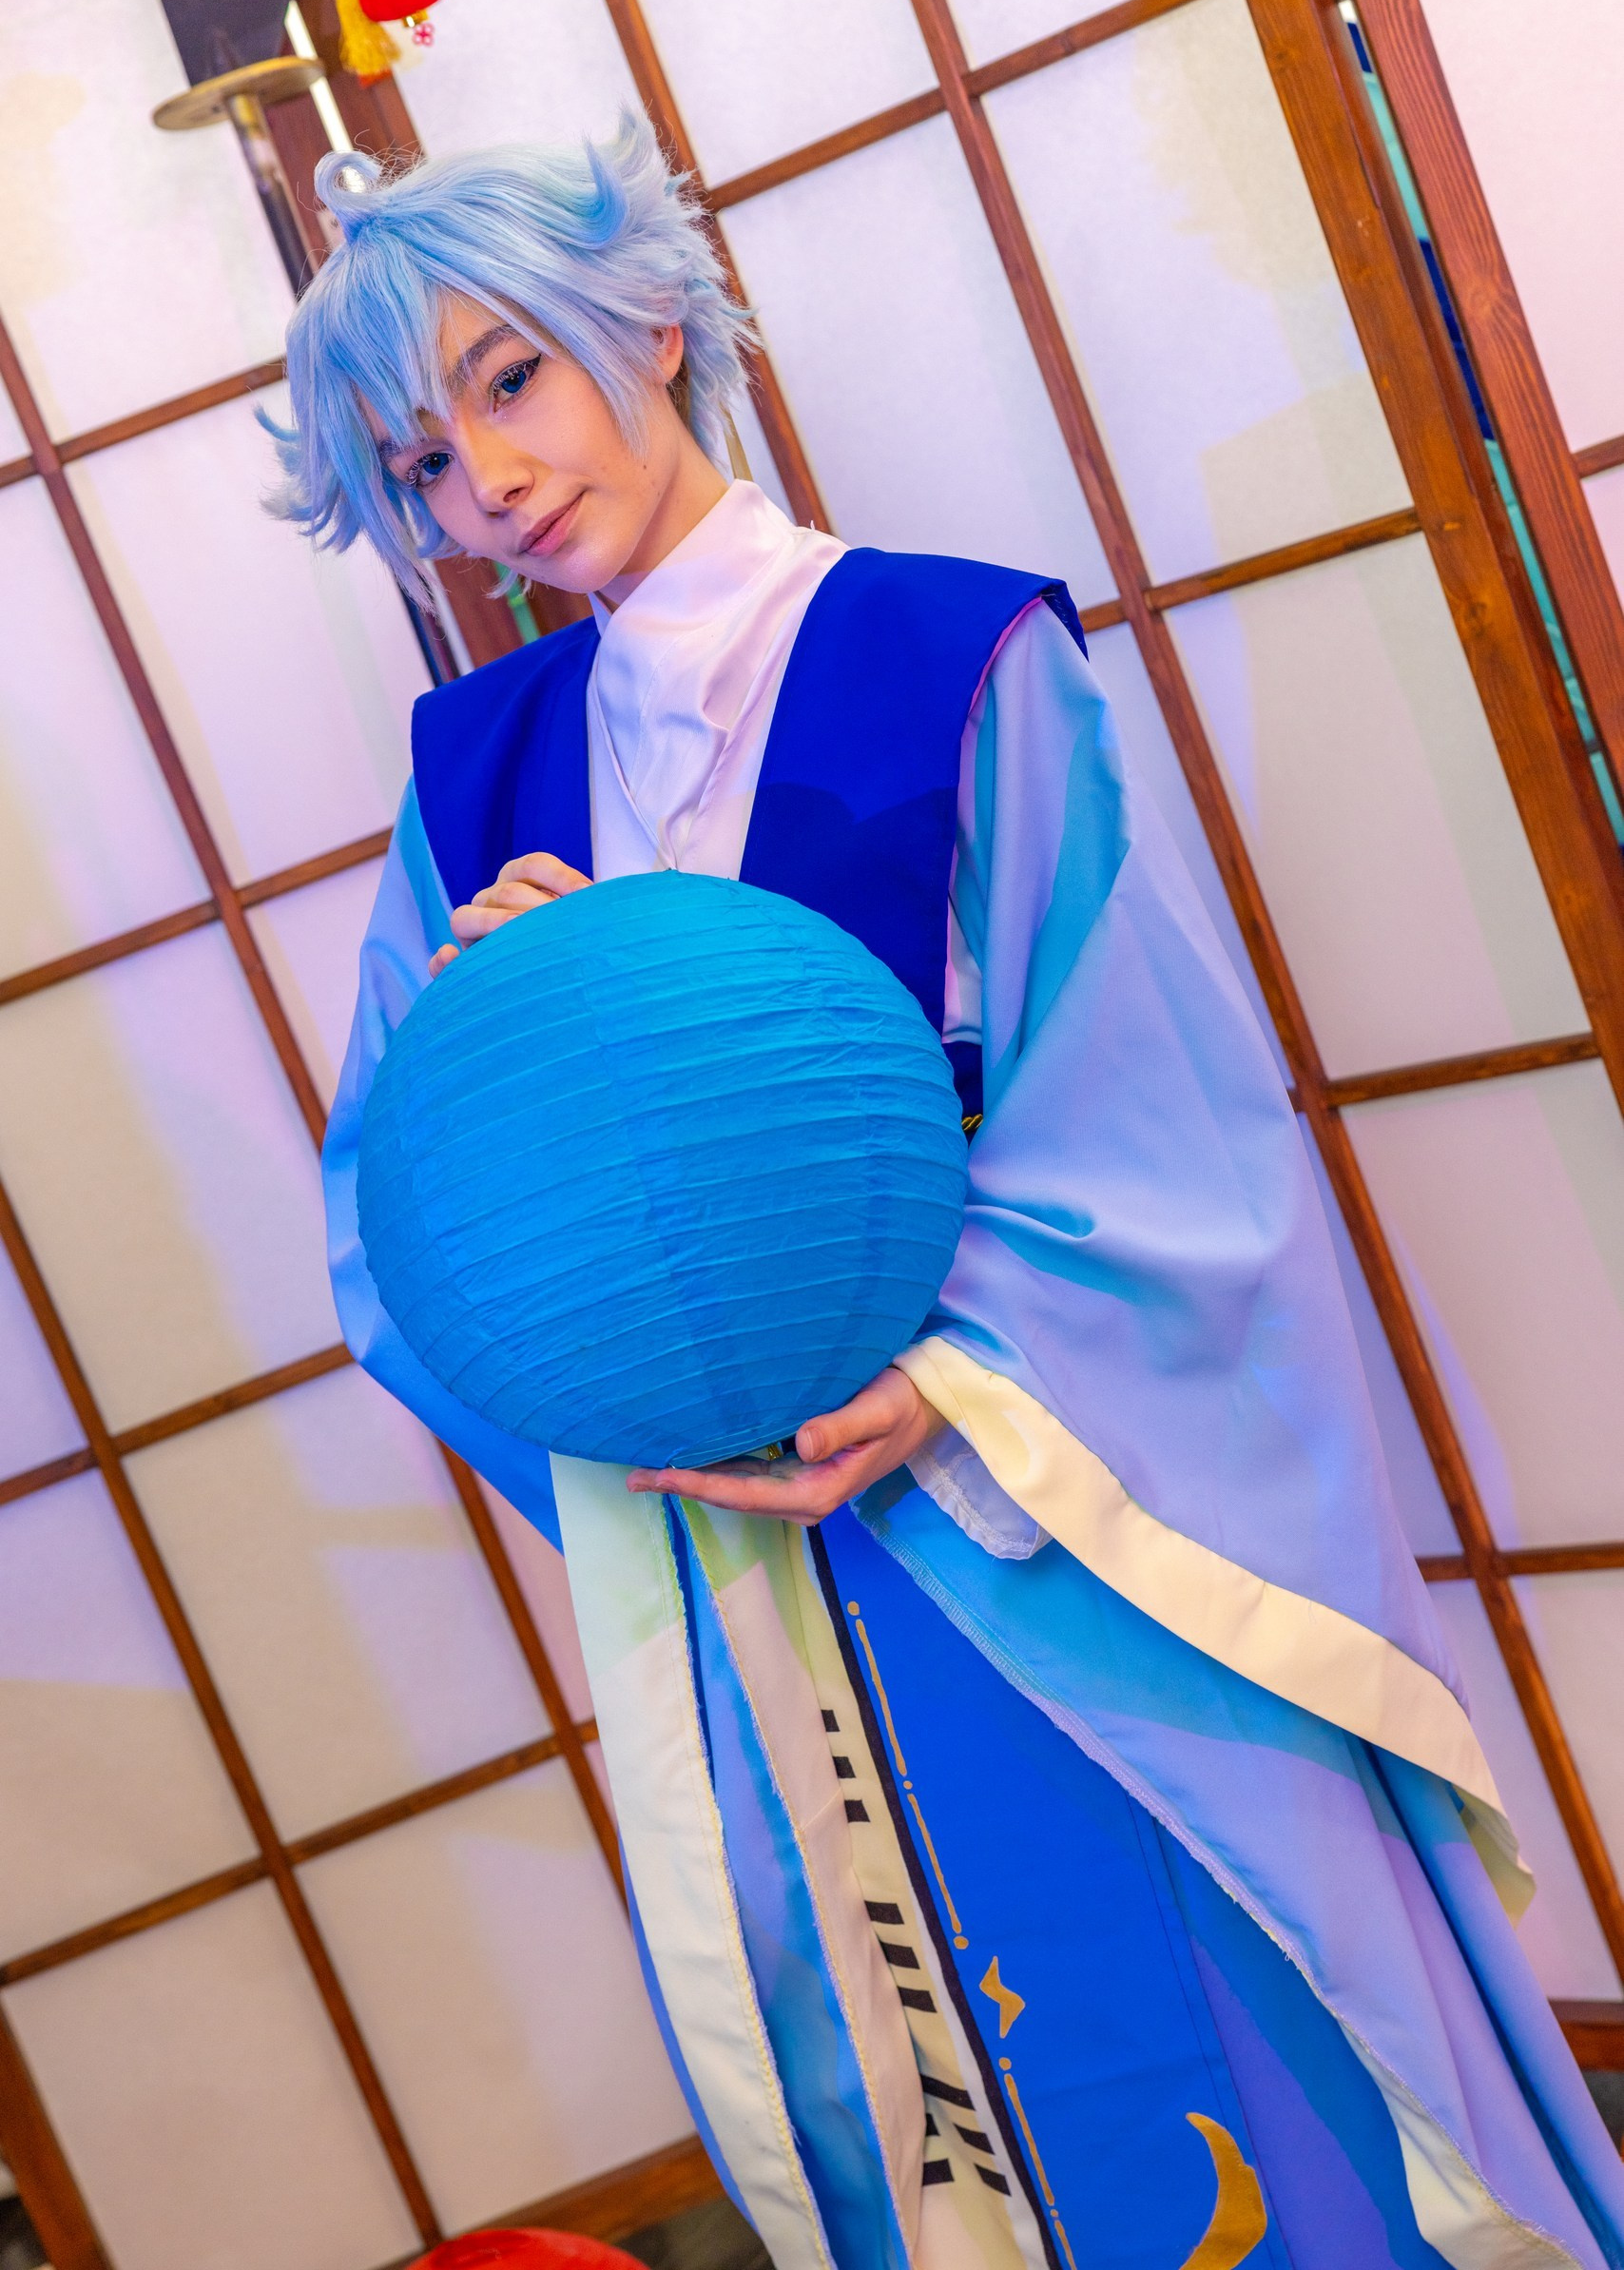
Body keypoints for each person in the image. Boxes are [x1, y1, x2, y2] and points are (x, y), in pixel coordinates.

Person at [275, 119, 1624, 2270]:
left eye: (509, 379)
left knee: (1233, 2048)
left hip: (1048, 1493)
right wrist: (508, 1059)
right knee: (947, 2084)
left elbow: (1153, 1102)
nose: (489, 481)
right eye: (421, 461)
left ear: (647, 321)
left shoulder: (949, 653)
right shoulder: (481, 773)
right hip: (775, 1567)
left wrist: (951, 1375)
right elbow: (401, 1219)